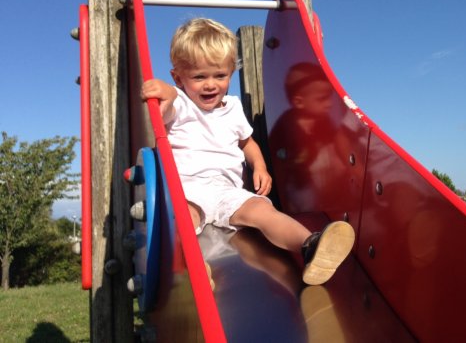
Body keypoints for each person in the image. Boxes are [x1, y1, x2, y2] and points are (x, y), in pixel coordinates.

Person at [141, 17, 354, 285]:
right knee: (182, 218)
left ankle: (311, 246)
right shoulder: (181, 103)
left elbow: (247, 143)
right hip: (187, 189)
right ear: (178, 77)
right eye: (199, 77)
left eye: (220, 75)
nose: (210, 84)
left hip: (228, 191)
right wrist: (167, 93)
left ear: (231, 73)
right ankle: (192, 267)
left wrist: (260, 167)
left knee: (263, 212)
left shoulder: (233, 108)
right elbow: (165, 111)